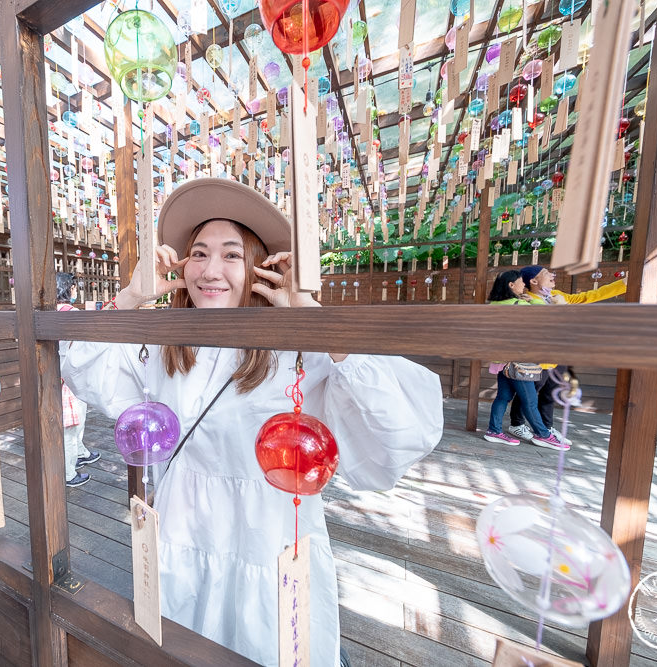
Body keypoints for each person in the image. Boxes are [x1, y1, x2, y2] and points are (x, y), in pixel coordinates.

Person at [62, 178, 444, 666]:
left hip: (270, 531)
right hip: (183, 523)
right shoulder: (163, 343)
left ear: (261, 268)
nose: (210, 270)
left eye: (231, 255)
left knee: (269, 640)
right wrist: (133, 297)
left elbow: (403, 424)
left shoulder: (299, 350)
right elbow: (80, 363)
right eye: (198, 253)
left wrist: (311, 315)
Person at [507, 265, 627, 444]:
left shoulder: (558, 296)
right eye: (547, 274)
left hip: (558, 356)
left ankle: (546, 427)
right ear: (533, 281)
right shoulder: (525, 300)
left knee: (551, 393)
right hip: (537, 359)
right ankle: (516, 424)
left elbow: (588, 296)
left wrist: (623, 284)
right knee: (529, 394)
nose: (553, 276)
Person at [483, 270, 568, 450]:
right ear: (511, 285)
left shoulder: (494, 303)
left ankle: (494, 430)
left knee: (503, 396)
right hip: (518, 362)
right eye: (521, 282)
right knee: (529, 401)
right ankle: (543, 435)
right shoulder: (520, 304)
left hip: (501, 360)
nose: (524, 286)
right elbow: (552, 318)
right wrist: (556, 303)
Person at [56, 272, 100, 488]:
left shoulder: (49, 312)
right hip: (71, 379)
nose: (75, 291)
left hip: (53, 379)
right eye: (73, 287)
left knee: (70, 426)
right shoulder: (72, 313)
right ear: (66, 289)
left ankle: (80, 453)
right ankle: (68, 473)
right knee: (71, 429)